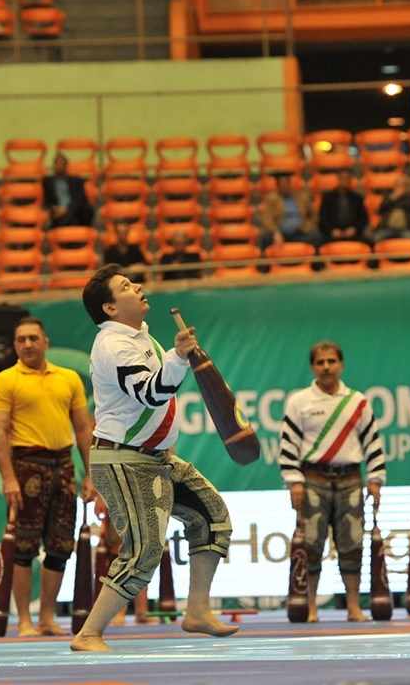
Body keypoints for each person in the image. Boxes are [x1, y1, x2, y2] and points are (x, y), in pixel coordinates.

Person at [71, 264, 238, 652]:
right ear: (110, 308)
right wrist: (178, 357)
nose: (137, 286)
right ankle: (88, 634)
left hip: (155, 458)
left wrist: (176, 355)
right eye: (126, 286)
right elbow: (152, 393)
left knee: (212, 517)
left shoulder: (140, 336)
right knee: (144, 550)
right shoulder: (114, 345)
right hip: (124, 461)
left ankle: (197, 611)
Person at [0, 317, 94, 637]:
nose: (28, 344)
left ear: (46, 342)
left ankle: (46, 617)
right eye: (21, 339)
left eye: (33, 338)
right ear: (14, 345)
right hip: (26, 467)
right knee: (24, 547)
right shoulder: (4, 381)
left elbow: (83, 429)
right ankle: (24, 621)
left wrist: (91, 474)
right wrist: (8, 478)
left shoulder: (69, 378)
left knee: (60, 545)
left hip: (64, 466)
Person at [278, 340, 386, 622]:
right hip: (312, 480)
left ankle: (354, 607)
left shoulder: (357, 401)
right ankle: (312, 607)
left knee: (352, 545)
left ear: (341, 365)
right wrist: (294, 481)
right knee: (311, 545)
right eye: (320, 362)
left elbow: (373, 443)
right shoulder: (299, 401)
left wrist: (375, 479)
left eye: (331, 361)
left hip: (350, 479)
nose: (326, 367)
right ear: (313, 367)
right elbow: (288, 445)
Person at [258, 173, 323, 250]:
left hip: (301, 232)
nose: (285, 186)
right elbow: (267, 219)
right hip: (281, 234)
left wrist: (308, 226)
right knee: (266, 238)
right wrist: (276, 232)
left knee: (316, 236)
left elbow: (312, 216)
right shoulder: (271, 199)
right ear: (278, 185)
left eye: (287, 183)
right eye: (282, 184)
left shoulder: (302, 197)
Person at [318, 169, 372, 244]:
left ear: (350, 180)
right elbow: (323, 219)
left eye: (347, 178)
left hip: (353, 233)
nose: (345, 181)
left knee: (370, 243)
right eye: (343, 178)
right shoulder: (328, 198)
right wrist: (332, 230)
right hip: (332, 233)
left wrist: (354, 229)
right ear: (339, 179)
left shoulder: (357, 198)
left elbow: (364, 218)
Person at [41, 152, 94, 228]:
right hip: (58, 212)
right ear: (54, 165)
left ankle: (65, 223)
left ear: (66, 165)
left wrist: (66, 209)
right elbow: (47, 200)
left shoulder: (76, 180)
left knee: (83, 207)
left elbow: (80, 199)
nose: (59, 166)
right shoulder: (47, 182)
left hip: (76, 212)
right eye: (57, 163)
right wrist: (54, 208)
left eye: (62, 163)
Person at [372, 172, 410, 243]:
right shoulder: (389, 197)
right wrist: (394, 197)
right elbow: (381, 210)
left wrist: (399, 198)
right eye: (398, 185)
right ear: (394, 186)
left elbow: (409, 205)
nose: (401, 187)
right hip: (388, 228)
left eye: (403, 185)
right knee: (377, 238)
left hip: (407, 229)